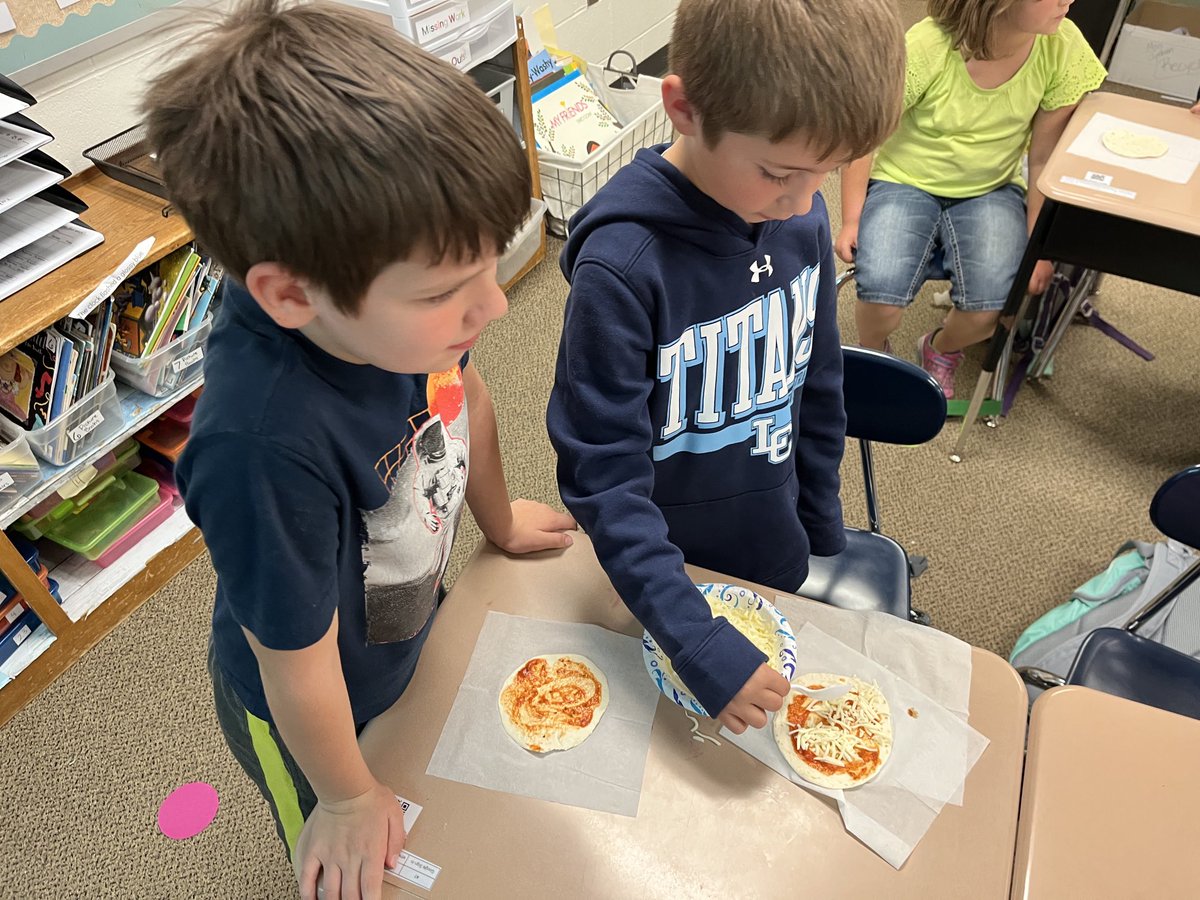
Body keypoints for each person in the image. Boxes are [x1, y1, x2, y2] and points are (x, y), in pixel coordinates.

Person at [141, 3, 576, 898]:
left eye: (491, 265)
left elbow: (464, 398)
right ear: (291, 295)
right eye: (452, 290)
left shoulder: (407, 315)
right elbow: (293, 661)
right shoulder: (260, 446)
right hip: (308, 698)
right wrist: (340, 797)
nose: (493, 307)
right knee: (355, 858)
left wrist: (494, 516)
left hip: (401, 617)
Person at [546, 0, 905, 735]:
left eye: (826, 174)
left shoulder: (796, 213)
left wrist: (817, 517)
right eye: (780, 172)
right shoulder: (622, 269)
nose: (806, 201)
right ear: (682, 108)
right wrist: (691, 632)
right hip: (655, 573)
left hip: (769, 541)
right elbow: (602, 474)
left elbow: (818, 376)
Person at [837, 0, 1107, 398]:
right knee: (880, 293)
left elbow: (1043, 158)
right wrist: (851, 219)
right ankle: (875, 353)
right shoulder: (929, 44)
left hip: (990, 188)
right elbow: (865, 136)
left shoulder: (1061, 46)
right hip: (904, 181)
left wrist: (1039, 245)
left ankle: (940, 349)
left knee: (992, 306)